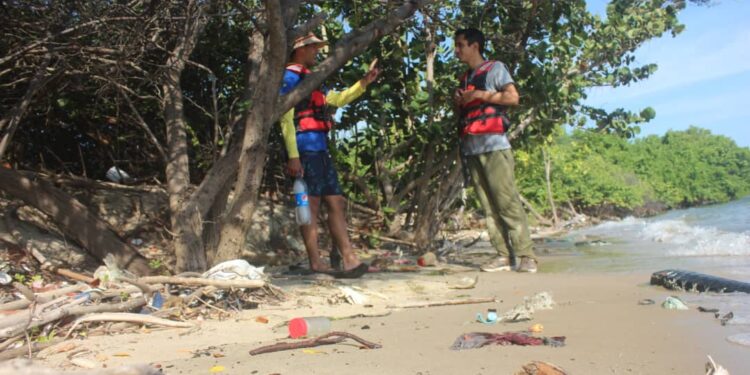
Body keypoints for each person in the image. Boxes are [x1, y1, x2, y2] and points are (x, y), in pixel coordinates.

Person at [279, 33, 379, 278]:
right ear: (300, 50)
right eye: (314, 48)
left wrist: (363, 83)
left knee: (336, 202)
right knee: (309, 206)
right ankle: (315, 262)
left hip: (321, 150)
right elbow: (285, 117)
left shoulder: (314, 79)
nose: (317, 52)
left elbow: (336, 99)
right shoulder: (289, 77)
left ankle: (349, 258)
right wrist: (293, 155)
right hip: (304, 150)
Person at [453, 27, 538, 273]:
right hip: (472, 148)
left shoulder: (495, 68)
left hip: (494, 146)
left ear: (475, 46)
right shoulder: (464, 78)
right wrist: (458, 100)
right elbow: (463, 113)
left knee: (507, 201)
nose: (457, 50)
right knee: (488, 206)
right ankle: (502, 255)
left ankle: (526, 255)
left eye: (460, 45)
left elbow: (513, 98)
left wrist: (479, 94)